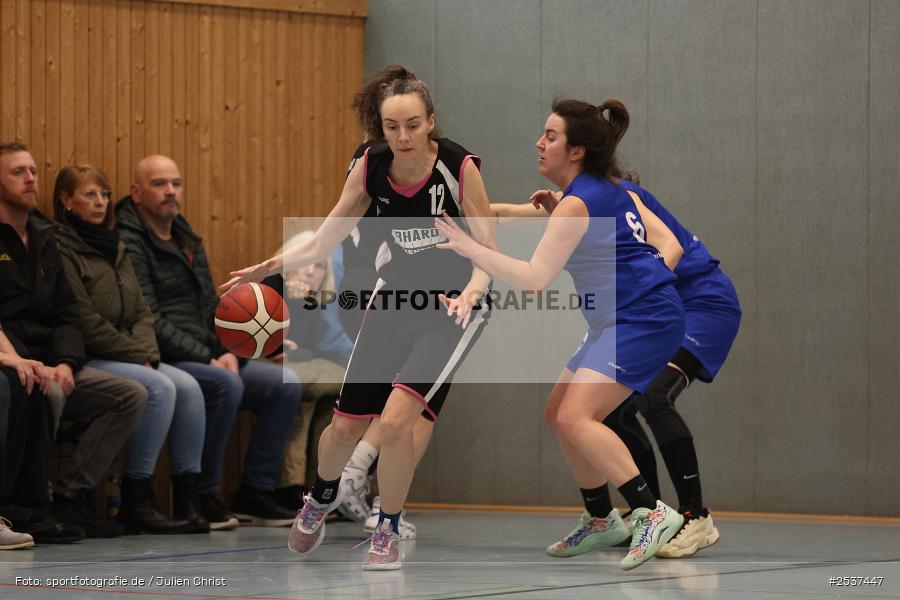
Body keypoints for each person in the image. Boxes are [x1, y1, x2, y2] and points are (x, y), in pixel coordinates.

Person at [224, 64, 496, 570]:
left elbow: (488, 249)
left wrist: (473, 291)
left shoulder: (458, 167)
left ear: (430, 120)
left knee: (396, 423)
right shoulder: (370, 166)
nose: (403, 136)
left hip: (451, 311)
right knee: (345, 426)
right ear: (381, 127)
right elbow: (328, 232)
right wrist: (270, 266)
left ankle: (386, 530)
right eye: (392, 126)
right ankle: (321, 496)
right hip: (392, 303)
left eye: (413, 124)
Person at [434, 98, 686, 570]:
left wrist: (469, 246)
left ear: (576, 151)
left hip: (642, 320)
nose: (539, 142)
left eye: (550, 136)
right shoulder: (609, 191)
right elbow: (656, 241)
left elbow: (533, 278)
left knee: (577, 416)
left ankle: (651, 511)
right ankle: (600, 518)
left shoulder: (580, 203)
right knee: (558, 412)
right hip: (624, 319)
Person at [115, 155, 302, 529]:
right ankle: (202, 494)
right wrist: (211, 356)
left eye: (176, 183)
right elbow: (149, 319)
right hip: (162, 354)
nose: (170, 191)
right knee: (224, 383)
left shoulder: (186, 237)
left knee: (285, 385)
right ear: (136, 193)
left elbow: (211, 306)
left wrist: (244, 344)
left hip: (208, 351)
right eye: (159, 184)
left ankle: (255, 492)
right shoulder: (128, 241)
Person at [0, 142, 147, 539]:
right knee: (35, 388)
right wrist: (25, 361)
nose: (31, 178)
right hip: (14, 359)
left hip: (53, 359)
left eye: (33, 170)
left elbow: (67, 313)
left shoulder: (45, 236)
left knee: (129, 394)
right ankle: (27, 505)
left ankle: (68, 496)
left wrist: (66, 361)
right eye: (18, 172)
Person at [53, 164, 208, 534]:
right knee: (158, 386)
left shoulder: (115, 244)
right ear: (66, 200)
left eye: (104, 195)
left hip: (131, 351)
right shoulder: (60, 245)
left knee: (187, 386)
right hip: (93, 354)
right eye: (90, 195)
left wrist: (145, 351)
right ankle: (134, 499)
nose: (100, 203)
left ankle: (189, 496)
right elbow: (85, 321)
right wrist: (137, 354)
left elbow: (141, 311)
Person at [599, 173, 741, 558]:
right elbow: (530, 210)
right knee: (613, 406)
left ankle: (696, 516)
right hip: (668, 310)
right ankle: (653, 512)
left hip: (706, 307)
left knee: (656, 398)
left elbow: (670, 250)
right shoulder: (586, 199)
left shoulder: (621, 196)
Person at [262, 231, 353, 505]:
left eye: (319, 266)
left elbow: (306, 346)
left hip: (296, 363)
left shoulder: (310, 298)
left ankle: (319, 487)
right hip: (263, 364)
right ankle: (290, 487)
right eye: (307, 263)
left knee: (333, 401)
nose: (312, 272)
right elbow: (271, 345)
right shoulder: (271, 286)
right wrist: (287, 350)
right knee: (302, 398)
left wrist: (292, 350)